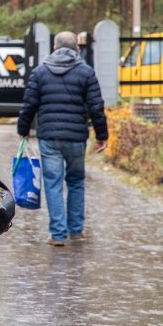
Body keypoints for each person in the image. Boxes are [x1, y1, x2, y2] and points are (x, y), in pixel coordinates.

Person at [17, 30, 108, 246]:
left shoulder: (40, 72)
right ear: (77, 49)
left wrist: (23, 130)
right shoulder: (86, 72)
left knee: (53, 182)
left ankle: (58, 234)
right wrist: (102, 136)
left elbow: (29, 104)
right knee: (76, 181)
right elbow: (96, 107)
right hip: (77, 137)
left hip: (49, 136)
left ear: (55, 48)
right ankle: (76, 230)